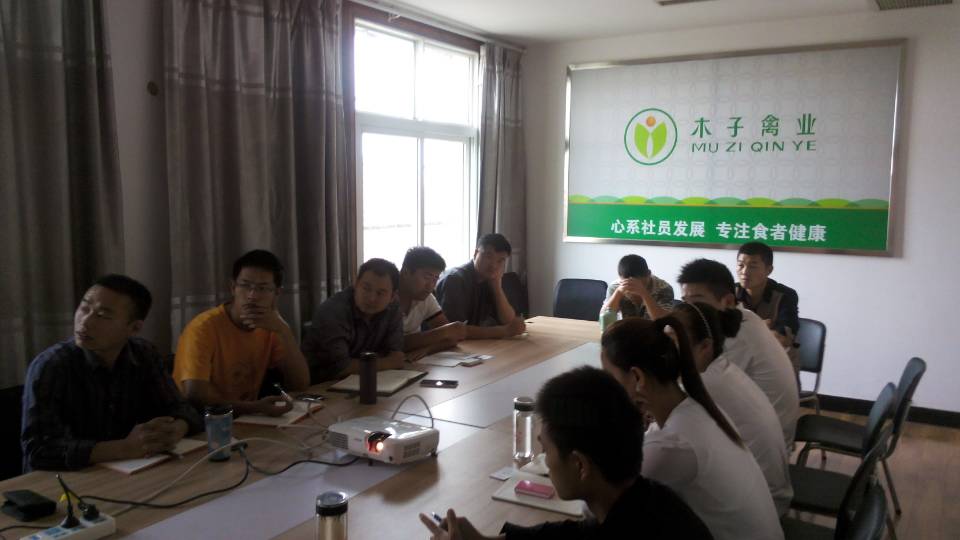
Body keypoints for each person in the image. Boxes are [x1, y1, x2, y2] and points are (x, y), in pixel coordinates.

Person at [418, 367, 713, 540]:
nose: (544, 461)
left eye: (546, 451)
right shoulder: (646, 499)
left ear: (580, 465)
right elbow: (573, 534)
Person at [600, 317, 783, 540]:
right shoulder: (699, 409)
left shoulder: (671, 446)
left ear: (638, 377)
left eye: (609, 377)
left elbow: (605, 508)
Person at [21, 275, 202, 472]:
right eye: (84, 308)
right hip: (65, 479)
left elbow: (183, 409)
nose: (85, 321)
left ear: (134, 328)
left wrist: (175, 429)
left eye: (102, 315)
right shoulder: (51, 365)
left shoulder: (144, 354)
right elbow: (39, 450)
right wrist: (124, 448)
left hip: (128, 471)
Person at [672, 302, 793, 516]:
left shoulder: (702, 385)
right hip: (768, 495)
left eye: (673, 341)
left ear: (705, 346)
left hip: (762, 505)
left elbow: (662, 445)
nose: (665, 350)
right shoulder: (723, 369)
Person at [676, 258, 799, 447]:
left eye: (698, 302)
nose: (690, 311)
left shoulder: (736, 338)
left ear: (727, 301)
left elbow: (697, 394)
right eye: (686, 302)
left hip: (758, 446)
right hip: (755, 432)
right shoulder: (744, 318)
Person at [173, 250, 310, 416]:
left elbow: (300, 384)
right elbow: (195, 395)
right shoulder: (203, 328)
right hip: (202, 421)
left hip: (245, 419)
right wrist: (255, 407)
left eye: (262, 288)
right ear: (233, 287)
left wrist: (284, 330)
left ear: (276, 293)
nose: (252, 296)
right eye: (245, 286)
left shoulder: (271, 327)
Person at [303, 258, 405, 383]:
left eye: (380, 293)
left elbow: (396, 354)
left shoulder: (393, 307)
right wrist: (387, 362)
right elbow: (340, 368)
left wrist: (387, 361)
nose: (372, 298)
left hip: (367, 381)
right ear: (355, 284)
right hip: (321, 386)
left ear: (392, 296)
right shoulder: (334, 310)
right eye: (366, 288)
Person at [435, 233, 526, 339]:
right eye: (489, 256)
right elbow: (454, 330)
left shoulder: (491, 279)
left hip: (474, 343)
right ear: (475, 254)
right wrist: (503, 332)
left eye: (500, 260)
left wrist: (497, 288)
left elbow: (509, 321)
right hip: (442, 344)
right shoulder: (455, 280)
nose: (493, 265)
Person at [735, 241, 800, 370]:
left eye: (753, 266)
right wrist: (760, 327)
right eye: (740, 265)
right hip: (739, 361)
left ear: (769, 270)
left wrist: (740, 329)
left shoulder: (785, 295)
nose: (744, 272)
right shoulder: (730, 293)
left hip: (778, 363)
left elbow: (782, 338)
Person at [398, 246, 467, 358]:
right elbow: (392, 344)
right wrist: (443, 332)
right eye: (427, 277)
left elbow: (452, 337)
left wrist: (428, 349)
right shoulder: (385, 295)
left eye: (435, 279)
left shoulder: (425, 297)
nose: (430, 286)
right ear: (406, 272)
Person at [599, 254, 674, 322]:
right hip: (624, 329)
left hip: (653, 330)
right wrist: (618, 293)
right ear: (620, 278)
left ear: (649, 274)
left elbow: (663, 321)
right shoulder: (615, 287)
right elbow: (604, 319)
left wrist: (644, 294)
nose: (633, 289)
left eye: (641, 284)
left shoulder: (664, 288)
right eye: (628, 283)